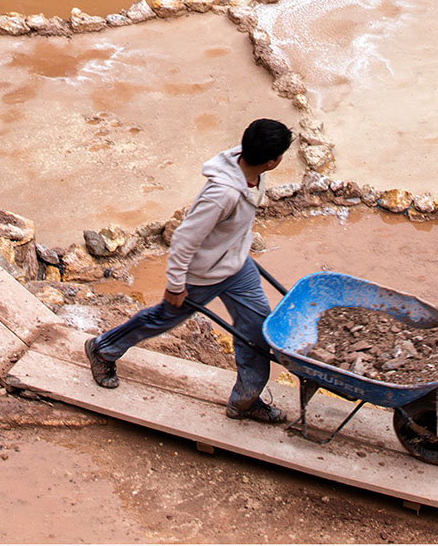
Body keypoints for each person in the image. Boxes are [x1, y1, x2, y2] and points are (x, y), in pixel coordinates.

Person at [85, 118, 293, 423]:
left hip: (236, 265)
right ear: (272, 161)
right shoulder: (222, 195)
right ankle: (103, 350)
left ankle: (246, 400)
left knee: (258, 332)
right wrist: (175, 284)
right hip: (204, 274)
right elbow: (184, 237)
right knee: (162, 319)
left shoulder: (250, 167)